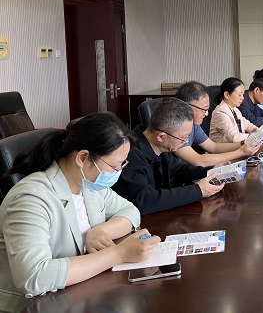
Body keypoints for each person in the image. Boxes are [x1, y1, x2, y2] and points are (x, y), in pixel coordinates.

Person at [0, 113, 159, 312]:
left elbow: (130, 211)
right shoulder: (31, 198)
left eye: (122, 165)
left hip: (79, 293)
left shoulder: (88, 185)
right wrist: (118, 253)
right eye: (114, 166)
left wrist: (100, 231)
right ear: (83, 158)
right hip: (36, 305)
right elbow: (34, 277)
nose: (118, 172)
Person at [112, 97, 226, 215]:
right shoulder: (129, 154)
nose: (186, 141)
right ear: (161, 136)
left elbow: (179, 170)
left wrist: (212, 171)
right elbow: (144, 200)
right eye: (183, 138)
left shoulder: (160, 147)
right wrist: (198, 190)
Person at [173, 81, 260, 166]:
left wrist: (243, 143)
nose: (207, 114)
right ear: (187, 107)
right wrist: (240, 152)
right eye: (204, 109)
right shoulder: (175, 128)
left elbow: (213, 147)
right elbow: (198, 160)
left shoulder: (195, 126)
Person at [209, 77, 263, 143]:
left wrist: (261, 132)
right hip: (226, 149)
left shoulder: (235, 110)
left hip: (238, 147)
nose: (242, 98)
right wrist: (258, 136)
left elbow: (248, 125)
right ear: (227, 95)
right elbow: (234, 137)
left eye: (243, 95)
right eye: (239, 95)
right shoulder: (220, 113)